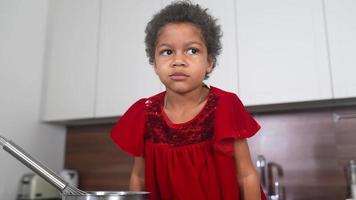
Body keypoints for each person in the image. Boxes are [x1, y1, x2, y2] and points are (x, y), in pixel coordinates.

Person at [111, 1, 267, 199]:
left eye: (192, 50)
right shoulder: (144, 113)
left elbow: (246, 176)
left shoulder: (225, 106)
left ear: (209, 62)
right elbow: (138, 178)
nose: (178, 61)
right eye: (167, 52)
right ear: (155, 64)